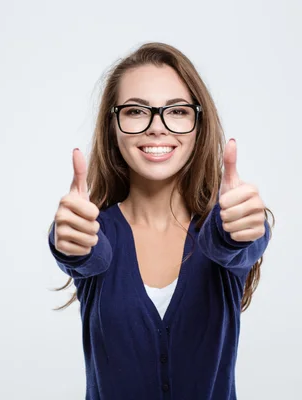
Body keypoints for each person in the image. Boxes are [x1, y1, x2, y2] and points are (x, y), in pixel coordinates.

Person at [47, 42, 274, 400]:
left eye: (177, 111)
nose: (157, 128)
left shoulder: (227, 223)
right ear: (113, 125)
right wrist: (67, 242)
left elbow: (235, 243)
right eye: (137, 111)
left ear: (199, 123)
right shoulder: (94, 231)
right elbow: (84, 253)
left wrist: (239, 231)